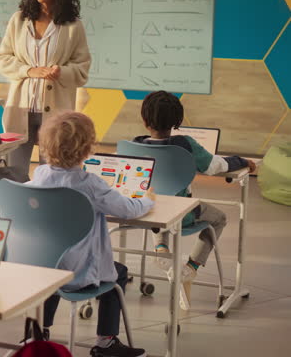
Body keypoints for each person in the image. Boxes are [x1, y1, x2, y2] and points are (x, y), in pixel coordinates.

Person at [30, 111, 154, 357]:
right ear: (88, 148)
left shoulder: (40, 175)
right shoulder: (90, 184)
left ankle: (40, 330)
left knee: (54, 269)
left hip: (44, 267)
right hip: (79, 274)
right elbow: (128, 210)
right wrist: (147, 199)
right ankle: (106, 341)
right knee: (118, 273)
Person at [134, 90, 256, 309]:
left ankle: (161, 249)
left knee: (159, 205)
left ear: (144, 120)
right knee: (219, 218)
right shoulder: (185, 144)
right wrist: (243, 161)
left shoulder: (135, 144)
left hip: (145, 210)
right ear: (177, 121)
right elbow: (216, 166)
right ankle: (190, 267)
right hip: (181, 214)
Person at [0, 0, 92, 181]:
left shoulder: (72, 26)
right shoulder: (19, 20)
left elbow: (82, 67)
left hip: (56, 114)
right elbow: (2, 59)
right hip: (20, 108)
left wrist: (62, 72)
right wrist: (29, 70)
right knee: (14, 175)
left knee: (51, 176)